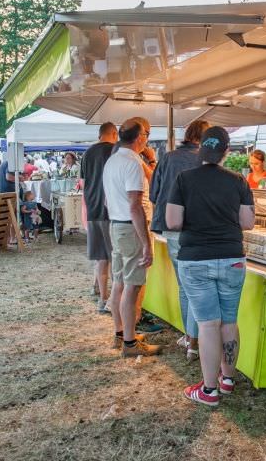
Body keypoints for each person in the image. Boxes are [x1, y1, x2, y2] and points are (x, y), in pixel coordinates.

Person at [166, 126, 255, 406]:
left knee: (207, 324)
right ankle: (227, 380)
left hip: (195, 260)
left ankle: (209, 390)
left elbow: (173, 222)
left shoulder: (184, 179)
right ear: (226, 151)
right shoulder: (239, 181)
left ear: (201, 149)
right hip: (232, 258)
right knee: (229, 321)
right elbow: (248, 223)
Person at [150, 119, 210, 361]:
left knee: (186, 286)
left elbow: (154, 192)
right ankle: (196, 339)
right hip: (202, 229)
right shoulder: (207, 160)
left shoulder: (169, 157)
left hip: (172, 227)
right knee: (200, 286)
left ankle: (190, 339)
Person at [103, 117, 161, 357]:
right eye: (146, 134)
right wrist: (146, 243)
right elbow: (135, 206)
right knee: (133, 286)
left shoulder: (114, 160)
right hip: (131, 227)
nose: (147, 138)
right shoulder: (132, 163)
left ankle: (121, 333)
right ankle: (129, 342)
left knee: (119, 282)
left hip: (117, 225)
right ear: (140, 138)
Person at [80, 122, 118, 314]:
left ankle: (103, 299)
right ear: (113, 133)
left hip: (93, 209)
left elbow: (83, 183)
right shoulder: (115, 150)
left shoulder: (87, 154)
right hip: (112, 210)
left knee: (101, 259)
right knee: (114, 258)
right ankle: (113, 301)